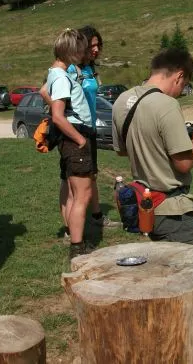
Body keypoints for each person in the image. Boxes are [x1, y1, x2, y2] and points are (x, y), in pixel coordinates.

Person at [111, 48, 193, 244]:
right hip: (173, 211)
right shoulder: (167, 104)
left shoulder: (121, 101)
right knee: (186, 263)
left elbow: (122, 151)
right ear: (179, 76)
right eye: (184, 85)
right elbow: (183, 164)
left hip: (145, 205)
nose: (181, 92)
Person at [40, 26, 119, 242]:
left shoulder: (88, 69)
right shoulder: (69, 70)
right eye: (90, 46)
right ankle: (72, 233)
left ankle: (93, 218)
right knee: (71, 183)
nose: (95, 50)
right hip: (76, 131)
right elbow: (45, 91)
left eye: (98, 45)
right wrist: (64, 114)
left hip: (87, 127)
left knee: (88, 177)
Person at [44, 28, 99, 260]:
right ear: (71, 51)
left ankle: (77, 241)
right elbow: (58, 116)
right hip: (75, 137)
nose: (83, 54)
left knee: (76, 193)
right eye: (80, 50)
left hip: (73, 136)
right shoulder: (61, 77)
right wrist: (80, 139)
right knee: (82, 195)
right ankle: (77, 246)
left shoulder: (57, 73)